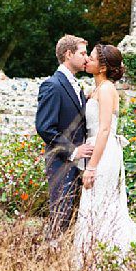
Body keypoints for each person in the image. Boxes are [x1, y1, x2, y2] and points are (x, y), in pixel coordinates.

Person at [73, 43, 136, 271]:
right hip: (96, 149)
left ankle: (115, 264)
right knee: (94, 207)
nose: (87, 60)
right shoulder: (97, 89)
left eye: (92, 58)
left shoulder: (107, 89)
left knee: (103, 207)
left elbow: (105, 129)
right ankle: (95, 264)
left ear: (103, 68)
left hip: (104, 153)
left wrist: (92, 167)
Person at [35, 35, 96, 241]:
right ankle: (51, 255)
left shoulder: (74, 85)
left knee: (73, 220)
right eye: (82, 53)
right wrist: (73, 151)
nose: (86, 58)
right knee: (60, 217)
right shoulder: (53, 85)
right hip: (61, 162)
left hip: (80, 165)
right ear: (68, 54)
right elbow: (45, 127)